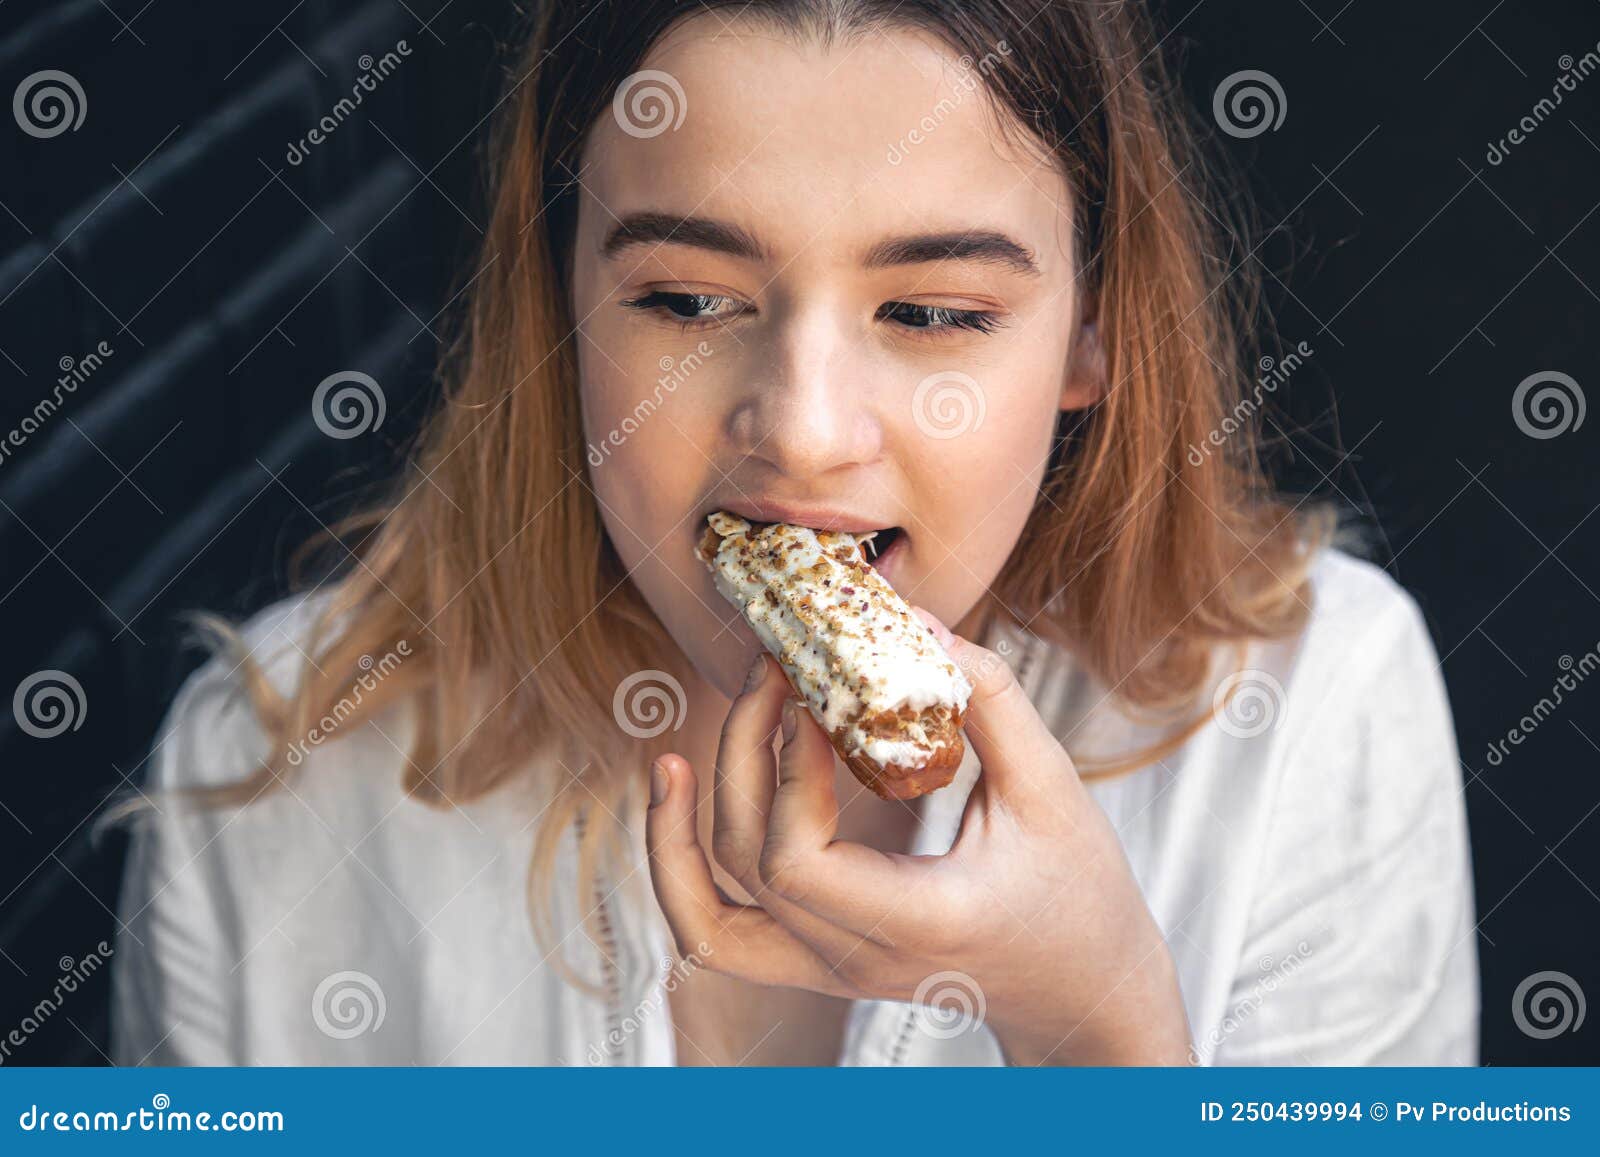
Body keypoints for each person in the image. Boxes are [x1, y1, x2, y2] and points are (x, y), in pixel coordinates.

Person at [110, 0, 1478, 1067]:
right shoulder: (270, 772)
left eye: (935, 313)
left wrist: (1095, 1031)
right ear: (558, 302)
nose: (805, 430)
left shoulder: (1316, 710)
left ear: (1091, 334)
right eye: (688, 301)